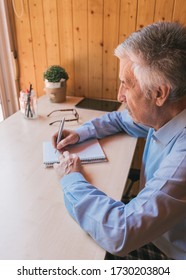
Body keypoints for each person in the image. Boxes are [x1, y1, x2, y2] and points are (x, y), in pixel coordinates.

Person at [52, 21, 186, 260]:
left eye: (126, 84)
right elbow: (120, 119)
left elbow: (120, 232)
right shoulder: (168, 113)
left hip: (169, 255)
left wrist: (71, 178)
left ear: (159, 94)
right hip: (153, 230)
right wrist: (80, 132)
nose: (119, 95)